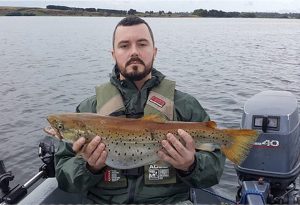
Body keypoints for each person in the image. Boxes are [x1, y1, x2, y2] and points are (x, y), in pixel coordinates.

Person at [54, 16, 226, 204]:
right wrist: (88, 168)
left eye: (142, 44)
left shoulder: (186, 106)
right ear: (113, 54)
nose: (134, 52)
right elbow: (64, 178)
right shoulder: (87, 110)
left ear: (154, 51)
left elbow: (214, 171)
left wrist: (191, 165)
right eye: (124, 45)